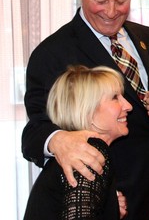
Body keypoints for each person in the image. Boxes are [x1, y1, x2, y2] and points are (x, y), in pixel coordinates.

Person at [22, 0, 149, 220]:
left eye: (121, 0)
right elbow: (34, 131)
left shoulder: (148, 36)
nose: (111, 11)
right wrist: (58, 140)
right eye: (100, 0)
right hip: (106, 199)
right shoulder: (52, 53)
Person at [24, 65, 131, 219]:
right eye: (115, 98)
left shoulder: (79, 153)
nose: (128, 106)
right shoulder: (88, 152)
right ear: (88, 110)